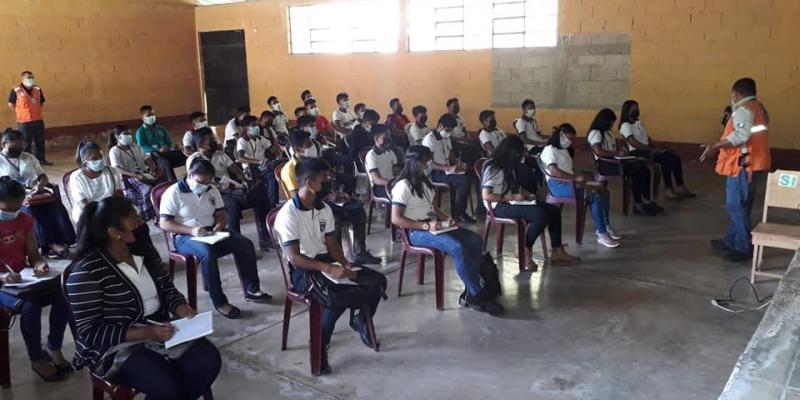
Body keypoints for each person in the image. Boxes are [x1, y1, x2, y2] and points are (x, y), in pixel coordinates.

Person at [67, 196, 221, 398]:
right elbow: (90, 332)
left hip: (161, 328)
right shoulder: (87, 271)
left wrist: (180, 307)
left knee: (208, 361)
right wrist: (147, 332)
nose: (141, 225)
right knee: (166, 384)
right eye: (134, 223)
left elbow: (167, 289)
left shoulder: (144, 253)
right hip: (115, 345)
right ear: (115, 233)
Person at [274, 158, 387, 375]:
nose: (329, 181)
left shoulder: (323, 207)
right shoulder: (288, 214)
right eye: (324, 178)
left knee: (376, 281)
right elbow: (295, 257)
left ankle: (361, 321)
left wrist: (345, 264)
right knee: (336, 298)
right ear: (310, 182)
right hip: (303, 270)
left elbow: (331, 242)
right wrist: (328, 269)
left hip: (327, 261)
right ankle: (319, 346)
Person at [391, 145, 503, 315]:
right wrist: (426, 226)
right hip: (416, 232)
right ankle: (476, 294)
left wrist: (445, 217)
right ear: (415, 163)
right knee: (457, 247)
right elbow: (396, 218)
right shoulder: (403, 186)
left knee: (475, 240)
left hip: (433, 226)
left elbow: (433, 207)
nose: (429, 165)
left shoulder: (425, 182)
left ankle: (472, 286)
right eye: (426, 162)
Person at [160, 159, 271, 318]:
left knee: (245, 244)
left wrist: (218, 227)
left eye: (208, 182)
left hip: (211, 232)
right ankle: (220, 301)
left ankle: (252, 289)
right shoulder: (173, 193)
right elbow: (165, 223)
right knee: (207, 253)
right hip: (185, 236)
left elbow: (220, 215)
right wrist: (191, 230)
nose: (204, 185)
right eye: (201, 182)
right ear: (190, 174)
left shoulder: (211, 190)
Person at [0, 177, 70, 381]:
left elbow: (33, 254)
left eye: (17, 207)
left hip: (23, 279)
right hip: (4, 283)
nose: (13, 213)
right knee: (30, 306)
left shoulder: (24, 219)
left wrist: (40, 265)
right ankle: (36, 358)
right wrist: (3, 276)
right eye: (7, 208)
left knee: (63, 293)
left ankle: (54, 347)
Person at [281, 130, 381, 265]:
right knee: (334, 219)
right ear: (298, 149)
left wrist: (338, 194)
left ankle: (359, 253)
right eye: (308, 144)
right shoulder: (290, 170)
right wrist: (328, 198)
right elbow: (298, 199)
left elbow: (327, 182)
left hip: (326, 202)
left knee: (359, 212)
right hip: (309, 210)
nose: (312, 146)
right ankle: (334, 258)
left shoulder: (315, 162)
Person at [481, 136, 581, 268]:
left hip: (511, 201)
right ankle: (524, 249)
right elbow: (487, 195)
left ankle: (557, 251)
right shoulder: (493, 167)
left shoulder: (510, 165)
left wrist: (525, 195)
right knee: (540, 215)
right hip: (498, 206)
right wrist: (511, 197)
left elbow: (512, 186)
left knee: (553, 210)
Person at [701, 77, 771, 262]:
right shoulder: (759, 108)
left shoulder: (743, 110)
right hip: (755, 163)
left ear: (735, 94)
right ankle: (730, 240)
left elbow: (741, 136)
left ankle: (743, 246)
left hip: (743, 165)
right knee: (742, 205)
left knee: (735, 205)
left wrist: (715, 146)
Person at [186, 127, 272, 253]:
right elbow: (198, 182)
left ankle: (264, 238)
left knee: (261, 198)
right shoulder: (194, 160)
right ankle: (237, 245)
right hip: (210, 193)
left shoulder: (220, 154)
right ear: (201, 143)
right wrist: (221, 186)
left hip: (230, 188)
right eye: (210, 140)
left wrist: (244, 181)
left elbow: (236, 170)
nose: (214, 141)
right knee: (232, 206)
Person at [542, 124, 621, 248]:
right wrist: (575, 178)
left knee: (603, 190)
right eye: (569, 138)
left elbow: (569, 168)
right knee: (593, 195)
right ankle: (601, 233)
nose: (570, 142)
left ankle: (605, 225)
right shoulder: (549, 149)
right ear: (561, 135)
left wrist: (581, 174)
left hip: (569, 182)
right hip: (559, 185)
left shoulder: (563, 150)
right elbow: (554, 171)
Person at [0, 129, 74, 258]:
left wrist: (40, 185)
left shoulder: (29, 157)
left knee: (56, 208)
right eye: (13, 148)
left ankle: (62, 241)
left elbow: (43, 176)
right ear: (3, 145)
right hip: (12, 198)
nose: (18, 150)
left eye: (20, 147)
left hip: (36, 193)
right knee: (31, 213)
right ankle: (49, 245)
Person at [587, 108, 663, 216]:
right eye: (611, 121)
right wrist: (616, 154)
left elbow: (614, 148)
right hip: (606, 164)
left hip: (615, 161)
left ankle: (645, 200)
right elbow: (599, 151)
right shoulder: (596, 133)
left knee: (643, 168)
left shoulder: (607, 133)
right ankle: (637, 203)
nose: (612, 124)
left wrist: (622, 151)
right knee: (637, 169)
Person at [619, 100, 695, 200]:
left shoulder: (639, 124)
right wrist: (651, 150)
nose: (637, 110)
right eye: (634, 109)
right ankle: (668, 189)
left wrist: (661, 147)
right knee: (665, 159)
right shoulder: (625, 125)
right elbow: (634, 143)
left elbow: (648, 139)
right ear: (627, 111)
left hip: (646, 149)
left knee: (674, 157)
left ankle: (680, 185)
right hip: (637, 152)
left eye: (637, 108)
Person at [422, 114, 474, 223]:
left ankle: (459, 210)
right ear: (440, 126)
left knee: (469, 174)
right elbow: (429, 163)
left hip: (446, 170)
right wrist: (448, 168)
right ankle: (460, 213)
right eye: (448, 130)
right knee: (463, 181)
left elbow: (450, 153)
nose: (449, 133)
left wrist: (459, 163)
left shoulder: (446, 137)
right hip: (435, 173)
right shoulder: (429, 139)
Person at [109, 126, 163, 221]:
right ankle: (148, 214)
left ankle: (160, 210)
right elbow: (117, 169)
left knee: (161, 185)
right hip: (129, 177)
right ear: (117, 136)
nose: (129, 136)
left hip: (143, 173)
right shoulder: (114, 151)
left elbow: (147, 158)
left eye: (130, 134)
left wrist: (153, 167)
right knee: (148, 190)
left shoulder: (135, 146)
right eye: (125, 134)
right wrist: (136, 175)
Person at [69, 140, 124, 223]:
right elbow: (84, 205)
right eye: (94, 158)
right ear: (84, 160)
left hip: (111, 210)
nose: (99, 160)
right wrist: (103, 216)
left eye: (101, 156)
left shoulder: (111, 171)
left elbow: (119, 194)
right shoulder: (76, 177)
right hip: (89, 214)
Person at [7, 71, 50, 165]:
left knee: (40, 140)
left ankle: (41, 159)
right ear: (23, 79)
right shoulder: (16, 90)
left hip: (38, 119)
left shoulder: (37, 89)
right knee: (26, 142)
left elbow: (42, 102)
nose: (31, 79)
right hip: (24, 121)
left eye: (32, 77)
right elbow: (11, 103)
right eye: (28, 77)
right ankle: (27, 162)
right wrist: (20, 112)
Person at [134, 105, 186, 181]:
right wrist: (157, 149)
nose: (151, 117)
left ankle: (191, 176)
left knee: (184, 154)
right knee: (166, 163)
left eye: (153, 114)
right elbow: (142, 147)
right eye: (148, 115)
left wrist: (173, 147)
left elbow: (169, 142)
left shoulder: (161, 129)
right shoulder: (140, 131)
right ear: (142, 117)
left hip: (166, 152)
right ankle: (172, 183)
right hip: (152, 155)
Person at [365, 125, 401, 199]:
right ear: (377, 139)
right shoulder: (371, 155)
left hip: (391, 183)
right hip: (380, 187)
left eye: (389, 136)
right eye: (386, 137)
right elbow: (376, 179)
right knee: (401, 195)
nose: (389, 139)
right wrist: (392, 183)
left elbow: (397, 171)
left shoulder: (390, 152)